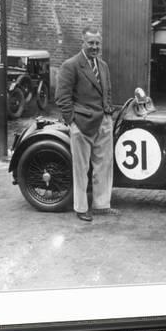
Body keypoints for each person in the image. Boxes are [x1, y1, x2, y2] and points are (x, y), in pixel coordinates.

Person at [55, 27, 117, 222]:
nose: (94, 47)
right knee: (81, 168)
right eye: (90, 43)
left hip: (103, 123)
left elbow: (106, 91)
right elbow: (62, 97)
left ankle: (101, 205)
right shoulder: (71, 65)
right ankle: (81, 208)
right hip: (82, 124)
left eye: (97, 43)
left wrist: (108, 113)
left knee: (104, 166)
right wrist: (72, 121)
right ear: (83, 42)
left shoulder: (103, 66)